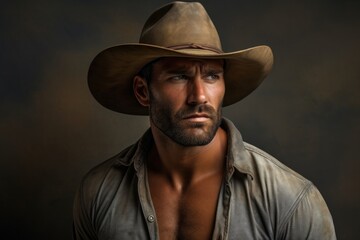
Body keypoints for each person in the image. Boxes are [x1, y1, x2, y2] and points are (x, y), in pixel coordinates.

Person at [73, 2, 336, 239]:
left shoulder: (291, 200)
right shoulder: (98, 193)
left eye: (211, 76)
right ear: (143, 91)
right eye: (178, 76)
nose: (199, 96)